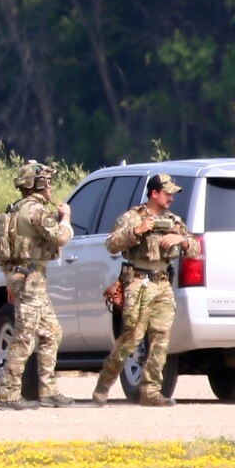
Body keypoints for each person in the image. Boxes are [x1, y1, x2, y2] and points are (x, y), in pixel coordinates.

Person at [94, 173, 201, 407]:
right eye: (167, 193)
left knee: (161, 340)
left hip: (163, 284)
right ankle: (104, 383)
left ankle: (151, 392)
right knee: (132, 339)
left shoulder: (173, 220)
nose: (171, 197)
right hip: (139, 284)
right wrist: (136, 231)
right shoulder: (132, 217)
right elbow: (112, 244)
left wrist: (180, 240)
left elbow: (194, 248)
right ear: (154, 193)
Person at [0, 161, 74, 410]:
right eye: (47, 182)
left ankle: (48, 391)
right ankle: (9, 394)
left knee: (52, 332)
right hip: (31, 280)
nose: (50, 187)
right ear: (38, 185)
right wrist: (66, 217)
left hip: (27, 278)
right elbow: (61, 236)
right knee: (24, 337)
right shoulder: (35, 211)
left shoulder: (17, 209)